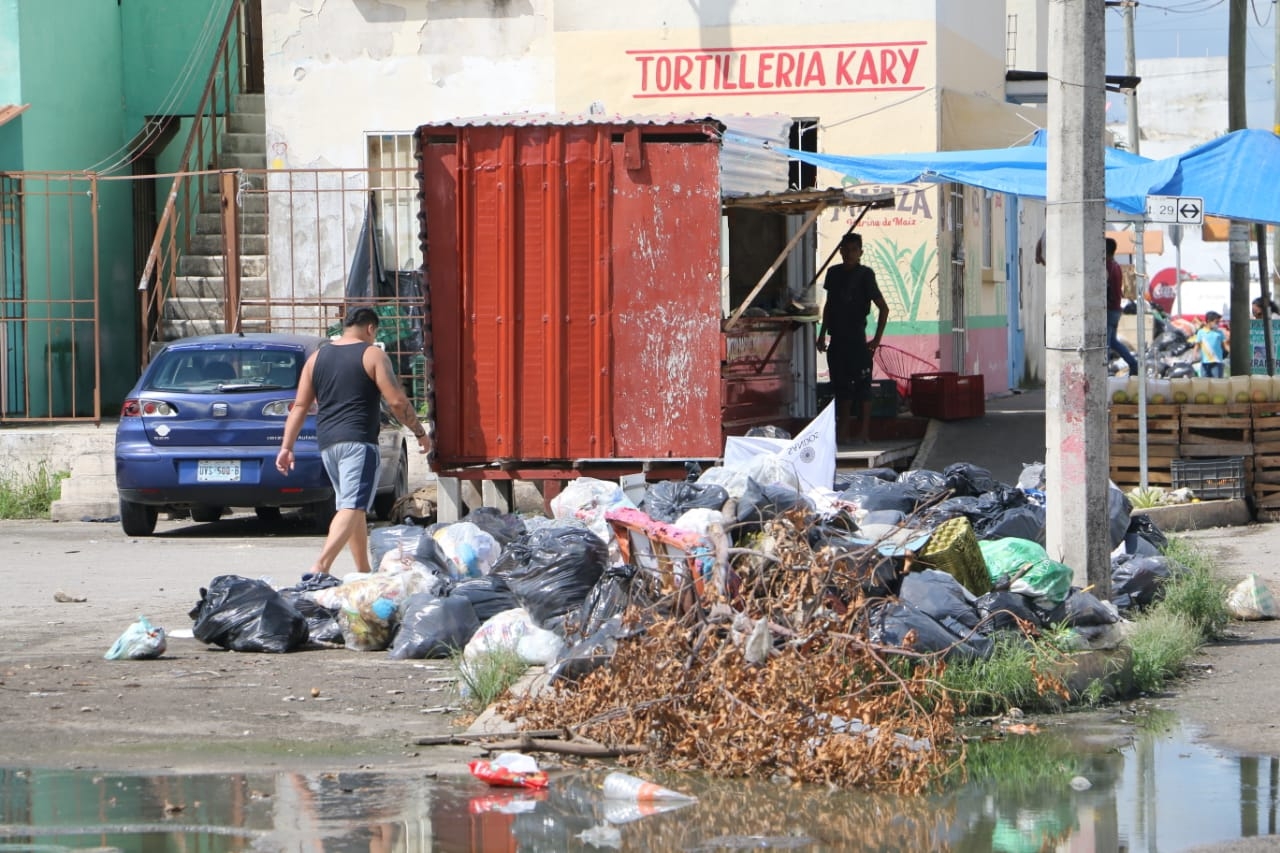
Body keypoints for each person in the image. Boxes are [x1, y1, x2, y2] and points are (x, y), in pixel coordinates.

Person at [276, 306, 432, 575]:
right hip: (358, 441)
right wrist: (419, 431)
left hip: (327, 444)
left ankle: (362, 570)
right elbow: (396, 401)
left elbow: (300, 406)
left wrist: (286, 447)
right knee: (352, 505)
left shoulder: (317, 358)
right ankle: (321, 565)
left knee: (354, 508)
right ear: (371, 329)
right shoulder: (372, 354)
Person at [816, 232, 889, 445]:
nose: (849, 254)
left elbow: (883, 308)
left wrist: (876, 340)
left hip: (858, 339)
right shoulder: (833, 273)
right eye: (845, 250)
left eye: (854, 250)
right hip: (837, 339)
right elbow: (829, 306)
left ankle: (863, 432)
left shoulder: (865, 275)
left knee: (863, 387)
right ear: (840, 252)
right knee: (841, 388)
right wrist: (822, 334)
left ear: (860, 253)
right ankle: (843, 432)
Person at [1105, 237, 1140, 376]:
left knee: (1106, 343)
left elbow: (1109, 290)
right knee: (1112, 341)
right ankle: (1133, 363)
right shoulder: (1116, 266)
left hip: (1109, 309)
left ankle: (1104, 370)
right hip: (1116, 309)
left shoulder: (1107, 266)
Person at [1191, 310, 1229, 378]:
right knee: (1205, 384)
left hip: (1217, 363)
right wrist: (1194, 354)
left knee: (1217, 384)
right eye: (1216, 322)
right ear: (1208, 321)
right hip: (1205, 363)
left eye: (1218, 322)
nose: (1218, 324)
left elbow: (1225, 345)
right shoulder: (1201, 332)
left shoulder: (1219, 333)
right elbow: (1197, 345)